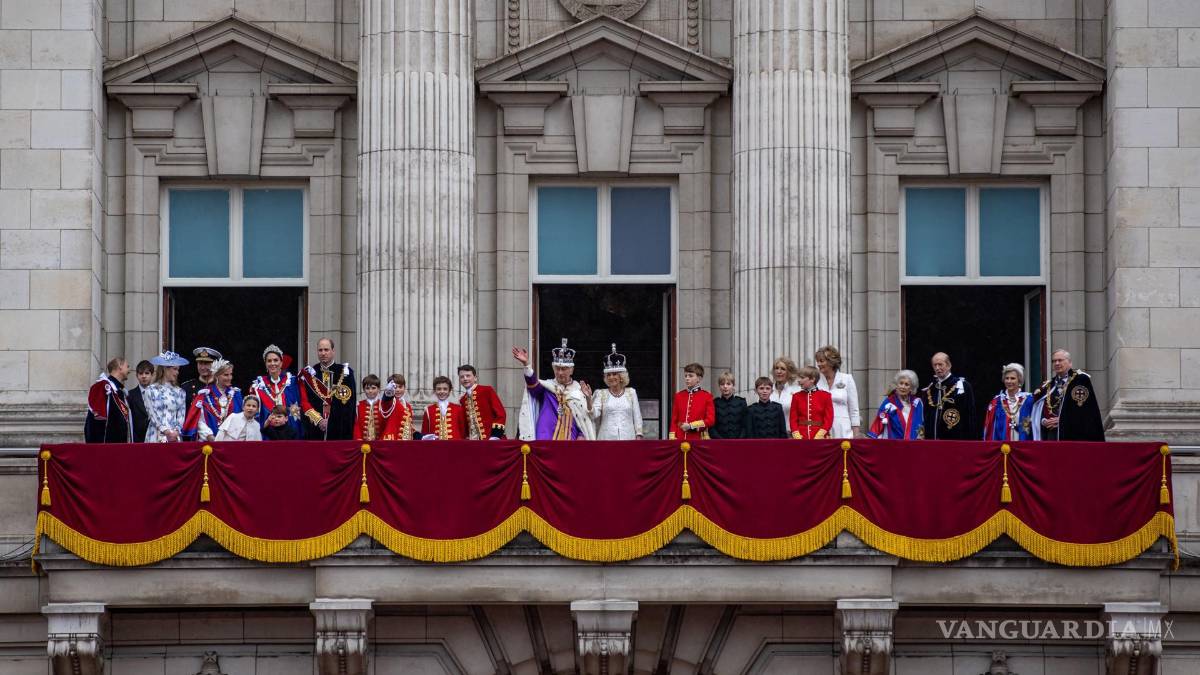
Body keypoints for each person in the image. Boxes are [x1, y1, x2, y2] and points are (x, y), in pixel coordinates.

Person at [514, 339, 596, 440]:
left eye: (564, 369)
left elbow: (583, 419)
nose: (560, 372)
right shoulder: (547, 387)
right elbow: (533, 386)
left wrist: (582, 435)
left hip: (571, 441)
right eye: (557, 368)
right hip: (546, 438)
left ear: (571, 370)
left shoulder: (579, 391)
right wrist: (527, 365)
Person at [1032, 349, 1105, 441]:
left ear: (1070, 363)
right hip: (1052, 435)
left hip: (1072, 435)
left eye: (1060, 360)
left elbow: (1084, 410)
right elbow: (1040, 409)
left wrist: (1062, 420)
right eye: (1054, 361)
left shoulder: (1080, 380)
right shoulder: (1049, 385)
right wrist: (1044, 421)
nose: (1057, 363)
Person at [299, 337, 357, 441]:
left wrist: (331, 422)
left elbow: (349, 404)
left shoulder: (345, 373)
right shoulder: (310, 374)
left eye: (326, 350)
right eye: (320, 350)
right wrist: (319, 420)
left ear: (333, 351)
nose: (323, 353)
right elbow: (304, 402)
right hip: (315, 429)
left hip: (339, 429)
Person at [589, 344, 644, 440]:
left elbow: (637, 416)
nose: (611, 377)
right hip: (606, 441)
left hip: (628, 439)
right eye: (608, 375)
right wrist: (588, 399)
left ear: (621, 376)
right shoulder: (601, 394)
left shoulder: (631, 393)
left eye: (614, 374)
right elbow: (594, 414)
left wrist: (638, 435)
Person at [184, 358, 244, 442]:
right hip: (209, 443)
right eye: (226, 375)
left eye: (231, 374)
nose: (230, 377)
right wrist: (209, 436)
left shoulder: (236, 395)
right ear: (216, 376)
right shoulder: (205, 395)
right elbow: (199, 421)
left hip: (233, 442)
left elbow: (242, 418)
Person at [250, 344, 303, 438]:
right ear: (265, 364)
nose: (272, 363)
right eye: (269, 361)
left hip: (289, 434)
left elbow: (298, 406)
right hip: (267, 435)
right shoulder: (259, 385)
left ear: (281, 363)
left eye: (276, 360)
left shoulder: (291, 382)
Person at [921, 352, 976, 440]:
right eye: (935, 365)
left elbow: (970, 416)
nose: (937, 368)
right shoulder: (930, 389)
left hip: (955, 441)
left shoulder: (963, 386)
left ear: (949, 365)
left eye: (940, 364)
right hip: (932, 441)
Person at [815, 345, 861, 439]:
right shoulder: (815, 381)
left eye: (821, 361)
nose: (818, 364)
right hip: (821, 429)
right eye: (818, 361)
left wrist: (856, 434)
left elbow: (854, 409)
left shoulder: (847, 379)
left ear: (831, 362)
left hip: (843, 429)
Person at [144, 351, 189, 443]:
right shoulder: (151, 390)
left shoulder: (180, 392)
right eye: (175, 369)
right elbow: (152, 414)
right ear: (165, 369)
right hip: (156, 434)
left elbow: (181, 415)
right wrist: (165, 430)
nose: (177, 372)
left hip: (175, 436)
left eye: (178, 370)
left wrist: (176, 431)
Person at [84, 357, 132, 443]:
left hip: (119, 446)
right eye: (127, 366)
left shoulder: (120, 392)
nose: (129, 370)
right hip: (105, 447)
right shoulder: (102, 386)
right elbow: (96, 420)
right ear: (120, 367)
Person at [983, 363, 1035, 442]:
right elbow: (989, 428)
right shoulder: (996, 402)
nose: (1009, 381)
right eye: (1007, 378)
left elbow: (1036, 426)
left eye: (1013, 378)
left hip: (1024, 446)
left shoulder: (1029, 400)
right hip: (1001, 447)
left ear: (1019, 380)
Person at [868, 370, 924, 439]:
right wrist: (872, 438)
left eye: (906, 384)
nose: (903, 387)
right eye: (901, 383)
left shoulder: (917, 403)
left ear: (911, 388)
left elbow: (920, 424)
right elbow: (879, 421)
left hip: (913, 444)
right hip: (893, 443)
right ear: (897, 385)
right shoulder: (889, 402)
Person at [458, 364, 507, 439]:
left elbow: (501, 413)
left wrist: (495, 436)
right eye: (462, 377)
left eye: (468, 376)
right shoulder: (462, 400)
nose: (465, 378)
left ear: (475, 378)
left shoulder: (487, 390)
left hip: (492, 438)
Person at [669, 363, 715, 441]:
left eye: (690, 376)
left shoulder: (707, 396)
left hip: (698, 438)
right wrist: (672, 436)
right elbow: (674, 420)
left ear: (699, 379)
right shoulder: (679, 396)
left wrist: (691, 425)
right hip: (680, 438)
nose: (687, 378)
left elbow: (710, 420)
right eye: (686, 376)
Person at [789, 366, 834, 440]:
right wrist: (796, 433)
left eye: (802, 378)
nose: (799, 380)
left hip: (820, 436)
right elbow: (793, 418)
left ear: (812, 379)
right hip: (801, 436)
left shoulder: (826, 396)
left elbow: (829, 419)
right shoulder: (796, 396)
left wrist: (821, 434)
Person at [422, 376, 468, 440]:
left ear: (449, 391)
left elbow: (463, 431)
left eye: (445, 389)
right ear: (434, 391)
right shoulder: (428, 410)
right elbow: (425, 433)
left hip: (455, 446)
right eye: (439, 389)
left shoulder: (458, 409)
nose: (442, 391)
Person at [354, 374, 395, 441]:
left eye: (373, 388)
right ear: (363, 389)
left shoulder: (383, 404)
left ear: (378, 389)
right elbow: (356, 425)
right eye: (367, 388)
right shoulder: (358, 405)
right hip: (362, 444)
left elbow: (387, 422)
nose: (370, 391)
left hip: (380, 443)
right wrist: (358, 439)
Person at [710, 371, 747, 439]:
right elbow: (712, 427)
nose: (725, 386)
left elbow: (745, 425)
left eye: (728, 384)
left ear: (733, 386)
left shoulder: (741, 402)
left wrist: (739, 440)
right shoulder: (714, 403)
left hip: (738, 443)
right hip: (719, 443)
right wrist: (721, 440)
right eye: (722, 384)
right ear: (719, 386)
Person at [381, 374, 417, 441]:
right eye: (395, 387)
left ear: (404, 388)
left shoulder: (408, 406)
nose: (397, 390)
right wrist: (388, 393)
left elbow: (409, 427)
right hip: (391, 442)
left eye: (400, 387)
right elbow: (386, 402)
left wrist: (420, 437)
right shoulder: (390, 401)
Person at [769, 356, 803, 422]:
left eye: (783, 369)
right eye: (776, 368)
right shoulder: (766, 390)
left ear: (789, 372)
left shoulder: (798, 391)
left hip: (791, 431)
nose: (779, 371)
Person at [127, 360, 153, 443]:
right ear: (137, 376)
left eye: (147, 373)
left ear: (152, 375)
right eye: (141, 373)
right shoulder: (130, 395)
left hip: (155, 439)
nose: (144, 376)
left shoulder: (158, 394)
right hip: (138, 440)